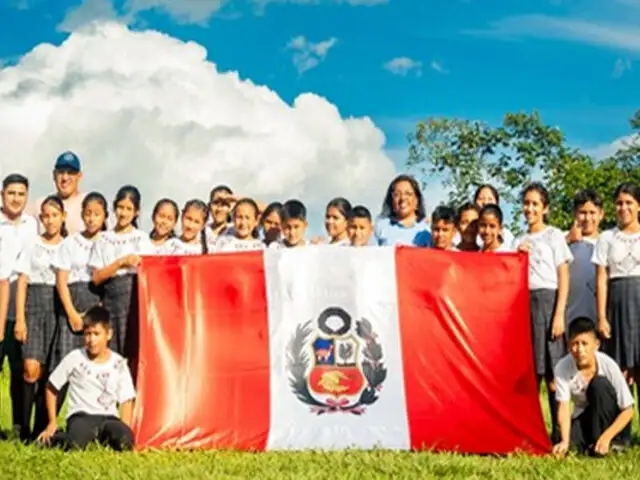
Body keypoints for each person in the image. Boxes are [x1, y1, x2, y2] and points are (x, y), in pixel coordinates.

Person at [516, 182, 573, 444]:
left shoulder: (554, 236)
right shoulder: (519, 239)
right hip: (524, 304)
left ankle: (560, 433)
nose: (530, 208)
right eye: (526, 203)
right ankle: (530, 432)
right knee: (530, 375)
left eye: (535, 204)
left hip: (549, 303)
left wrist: (559, 313)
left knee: (553, 374)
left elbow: (563, 275)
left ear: (545, 208)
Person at [37, 306, 136, 451]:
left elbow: (127, 398)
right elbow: (51, 387)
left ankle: (107, 438)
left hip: (109, 418)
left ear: (108, 334)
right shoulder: (75, 358)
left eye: (97, 334)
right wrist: (52, 422)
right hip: (82, 416)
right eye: (88, 334)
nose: (91, 340)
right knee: (75, 444)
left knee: (125, 441)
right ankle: (56, 438)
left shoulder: (118, 363)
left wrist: (125, 427)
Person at [14, 195, 67, 441]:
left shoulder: (69, 245)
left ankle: (42, 428)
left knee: (51, 371)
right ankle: (22, 428)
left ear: (63, 217)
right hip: (35, 303)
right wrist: (21, 319)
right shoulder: (32, 244)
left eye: (54, 215)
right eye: (45, 215)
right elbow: (23, 281)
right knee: (31, 368)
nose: (50, 220)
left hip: (58, 306)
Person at [89, 186, 154, 357]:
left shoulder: (142, 238)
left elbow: (151, 271)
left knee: (135, 348)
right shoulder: (103, 238)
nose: (123, 213)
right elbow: (96, 277)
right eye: (120, 207)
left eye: (129, 209)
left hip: (135, 296)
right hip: (111, 297)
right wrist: (121, 263)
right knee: (113, 349)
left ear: (137, 212)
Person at [553, 318, 633, 456]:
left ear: (596, 344)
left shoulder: (609, 365)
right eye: (575, 344)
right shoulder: (562, 367)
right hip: (586, 414)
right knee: (569, 447)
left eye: (585, 343)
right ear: (568, 346)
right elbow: (564, 406)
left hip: (610, 417)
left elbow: (628, 410)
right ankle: (593, 444)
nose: (580, 350)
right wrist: (565, 441)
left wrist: (606, 437)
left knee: (599, 385)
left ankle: (611, 441)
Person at [593, 183, 640, 396]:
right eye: (619, 203)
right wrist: (602, 317)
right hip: (617, 309)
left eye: (629, 202)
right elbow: (601, 278)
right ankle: (623, 430)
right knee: (620, 377)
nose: (624, 208)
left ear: (638, 206)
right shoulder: (606, 238)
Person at [0, 173, 37, 434]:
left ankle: (20, 427)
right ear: (2, 194)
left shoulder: (31, 225)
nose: (16, 198)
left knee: (20, 370)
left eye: (21, 194)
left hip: (22, 306)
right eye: (11, 193)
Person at [53, 193, 108, 368]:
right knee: (65, 363)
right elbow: (61, 281)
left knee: (93, 363)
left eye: (97, 214)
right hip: (72, 304)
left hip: (97, 303)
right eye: (88, 213)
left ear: (105, 215)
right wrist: (72, 314)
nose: (91, 219)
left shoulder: (109, 241)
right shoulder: (70, 242)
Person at [566, 189, 603, 325]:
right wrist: (568, 239)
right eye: (583, 213)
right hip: (570, 317)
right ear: (575, 214)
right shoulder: (563, 240)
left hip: (599, 317)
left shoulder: (608, 241)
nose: (587, 218)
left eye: (592, 213)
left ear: (601, 215)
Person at [32, 152, 86, 235]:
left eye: (70, 173)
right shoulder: (40, 205)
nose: (65, 178)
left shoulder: (89, 203)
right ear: (54, 175)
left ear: (79, 176)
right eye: (61, 172)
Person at [374, 175, 431, 247]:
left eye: (408, 194)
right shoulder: (381, 227)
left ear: (417, 200)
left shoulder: (429, 228)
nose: (403, 198)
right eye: (397, 194)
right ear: (391, 200)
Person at [473, 184, 515, 249]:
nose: (485, 202)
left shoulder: (507, 236)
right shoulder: (469, 232)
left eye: (490, 199)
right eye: (480, 199)